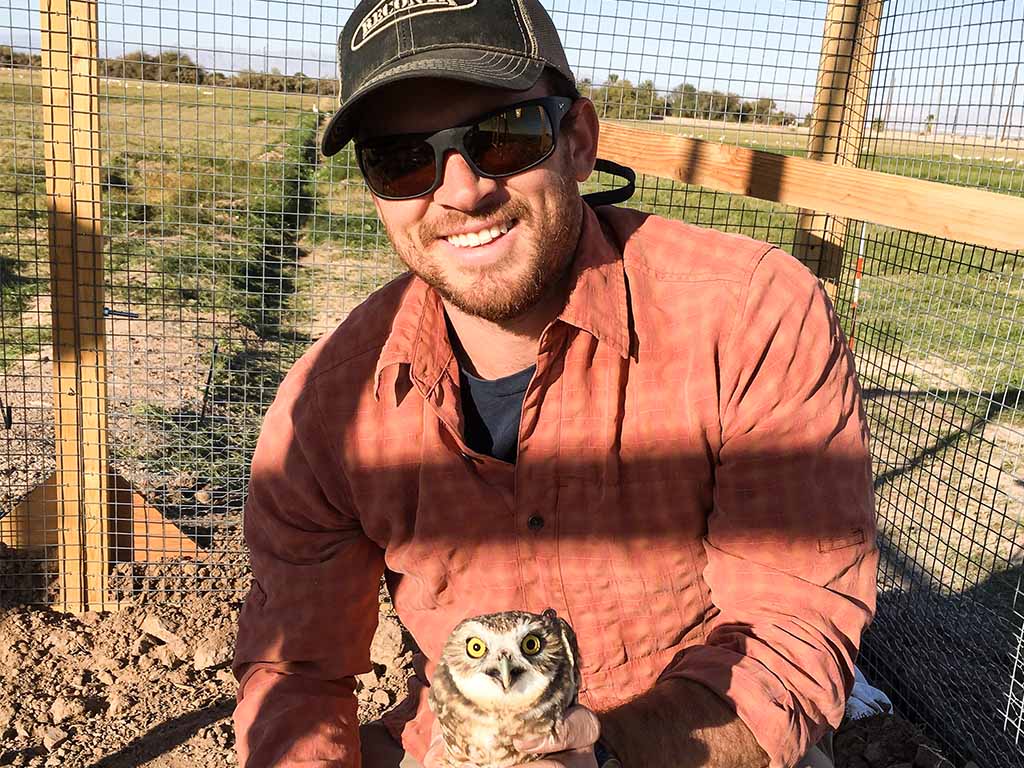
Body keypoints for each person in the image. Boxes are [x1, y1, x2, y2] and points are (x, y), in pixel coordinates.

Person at [231, 1, 878, 767]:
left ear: (577, 142)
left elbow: (786, 629)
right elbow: (296, 669)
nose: (462, 191)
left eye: (503, 136)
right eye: (403, 158)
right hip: (468, 742)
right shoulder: (327, 411)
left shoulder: (749, 316)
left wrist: (604, 753)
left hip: (701, 740)